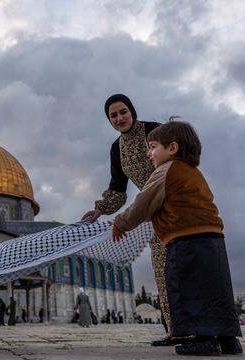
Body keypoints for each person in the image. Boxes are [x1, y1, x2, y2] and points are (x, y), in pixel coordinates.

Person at [111, 121, 242, 356]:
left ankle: (203, 339)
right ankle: (228, 339)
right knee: (215, 290)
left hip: (184, 241)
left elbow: (143, 203)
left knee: (187, 289)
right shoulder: (193, 172)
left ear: (172, 148)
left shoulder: (165, 170)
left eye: (152, 148)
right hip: (213, 240)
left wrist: (121, 222)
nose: (149, 154)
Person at [80, 94, 174, 346]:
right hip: (153, 213)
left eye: (123, 112)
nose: (119, 118)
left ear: (132, 111)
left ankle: (203, 327)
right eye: (113, 115)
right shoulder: (116, 148)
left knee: (185, 264)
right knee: (163, 271)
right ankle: (175, 329)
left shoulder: (154, 130)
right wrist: (100, 209)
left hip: (175, 202)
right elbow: (118, 190)